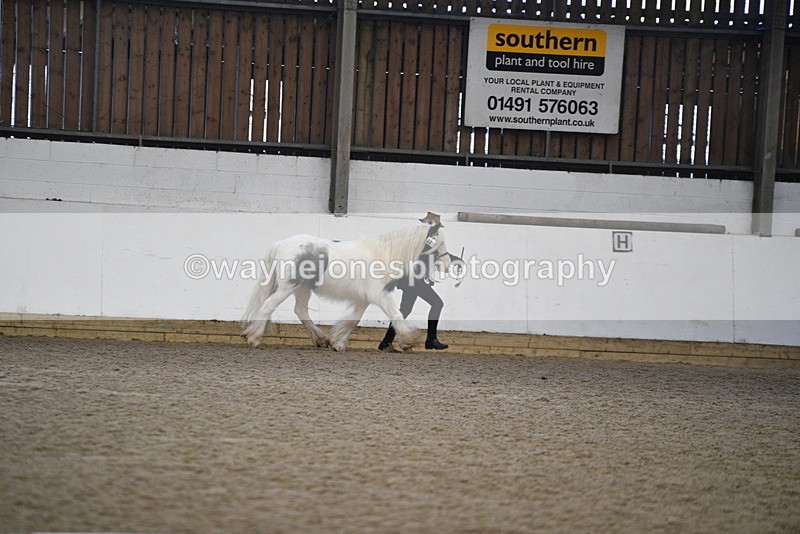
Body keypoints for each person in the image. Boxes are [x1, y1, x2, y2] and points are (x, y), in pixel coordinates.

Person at [378, 212, 449, 352]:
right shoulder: (420, 236)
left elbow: (439, 255)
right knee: (437, 303)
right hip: (413, 279)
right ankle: (431, 339)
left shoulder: (435, 237)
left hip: (413, 279)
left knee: (405, 310)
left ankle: (386, 342)